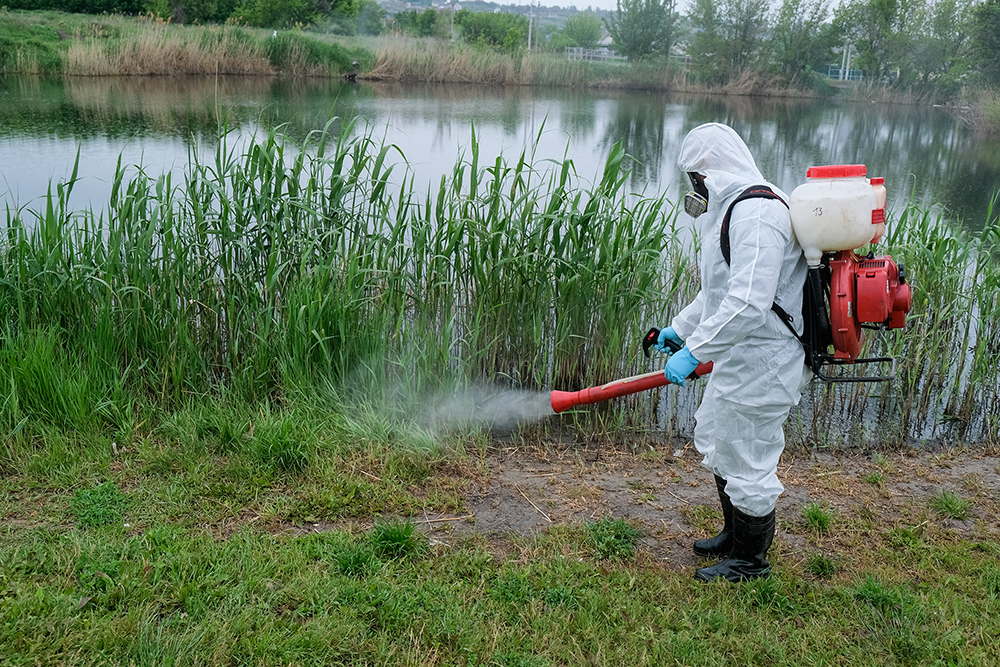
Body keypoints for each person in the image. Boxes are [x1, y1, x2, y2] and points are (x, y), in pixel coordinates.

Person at [657, 123, 810, 582]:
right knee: (722, 438)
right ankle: (733, 535)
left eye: (695, 178)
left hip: (766, 360)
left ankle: (750, 561)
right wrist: (681, 330)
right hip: (742, 356)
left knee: (748, 455)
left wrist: (695, 352)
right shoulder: (734, 209)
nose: (695, 188)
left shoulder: (757, 212)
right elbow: (718, 293)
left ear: (708, 172)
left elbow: (748, 303)